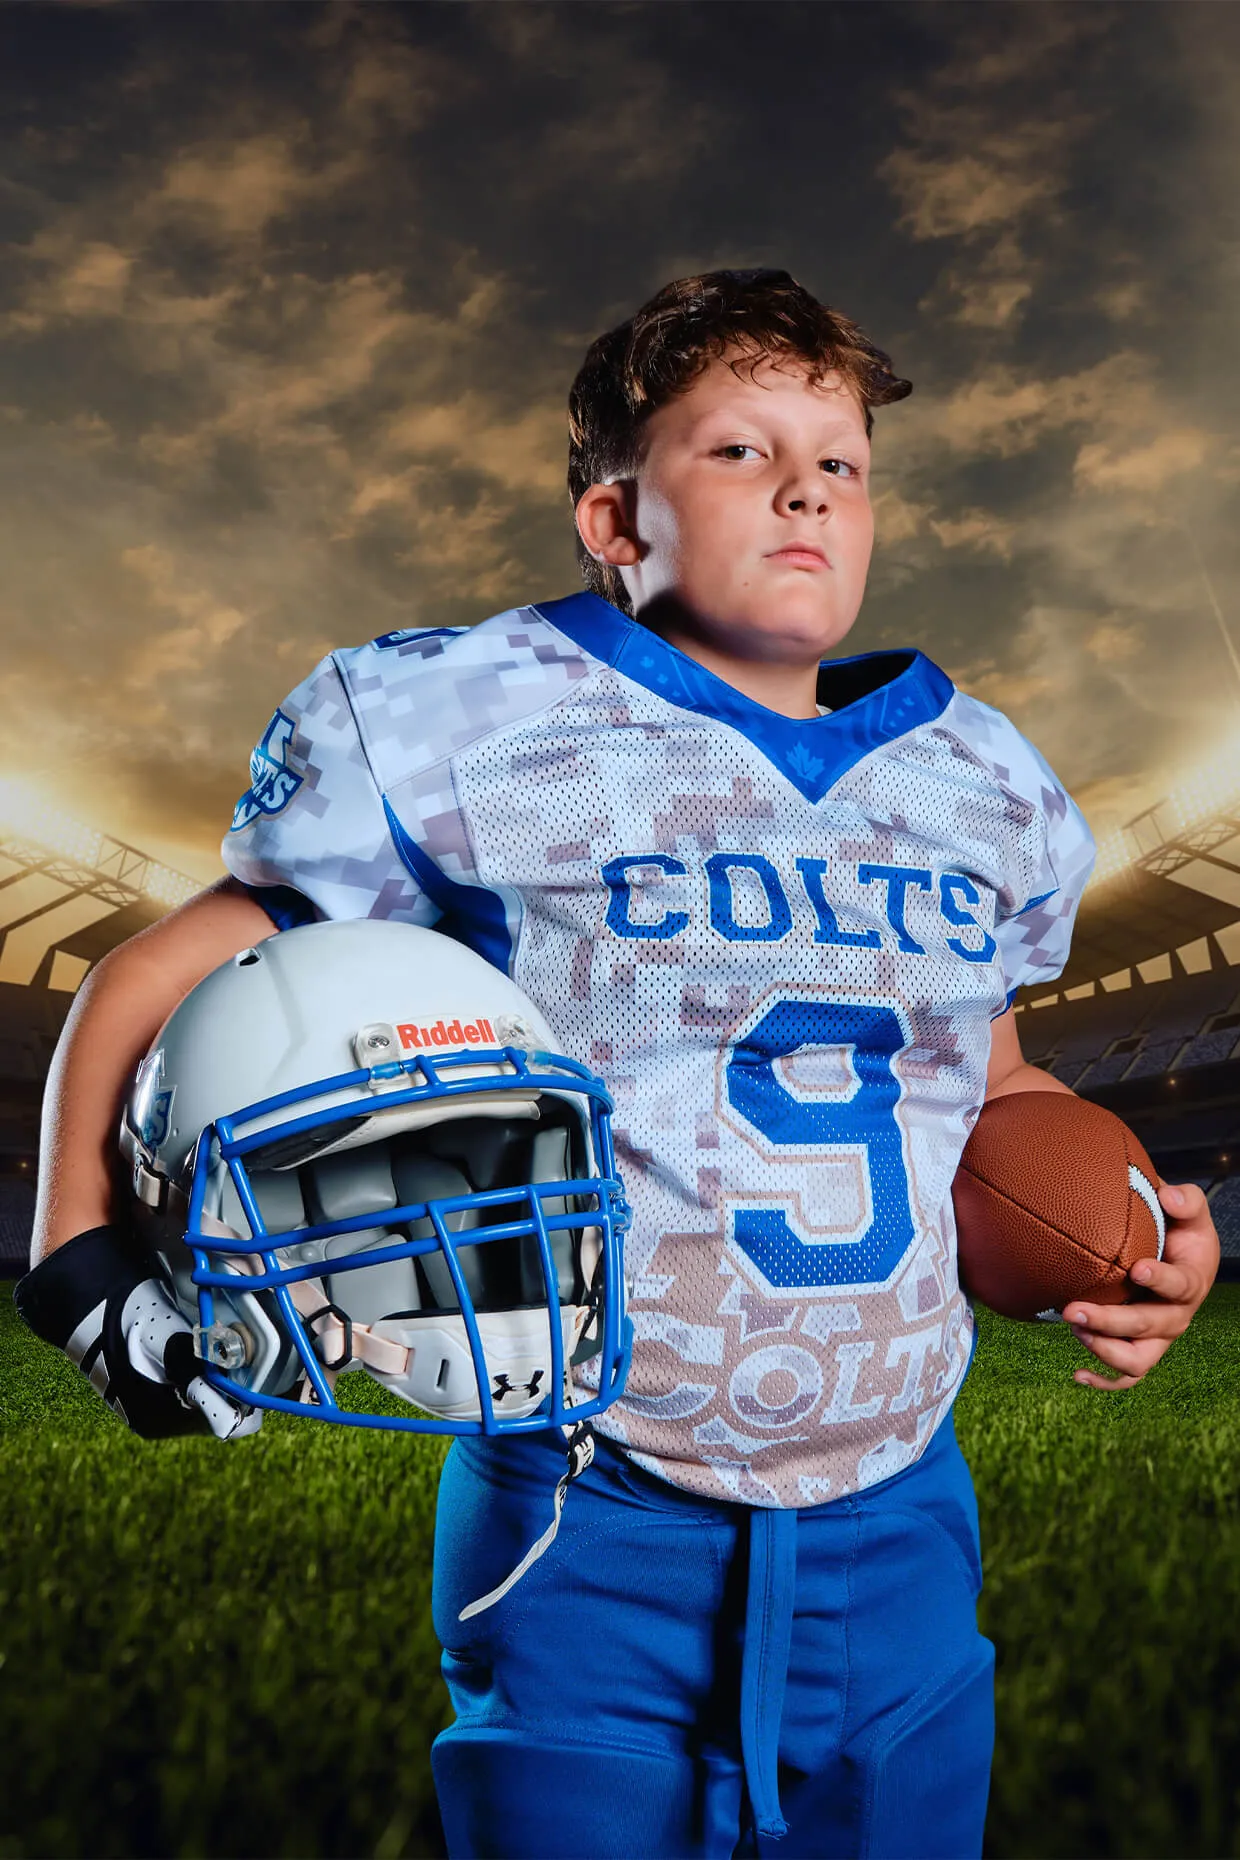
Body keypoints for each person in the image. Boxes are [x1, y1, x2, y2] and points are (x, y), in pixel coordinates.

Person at [18, 269, 1221, 1858]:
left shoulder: (981, 779)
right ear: (612, 521)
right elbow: (161, 967)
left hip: (903, 1512)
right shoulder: (482, 716)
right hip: (594, 1508)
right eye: (737, 450)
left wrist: (1127, 1223)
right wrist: (74, 1250)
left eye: (839, 460)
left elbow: (993, 1084)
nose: (805, 486)